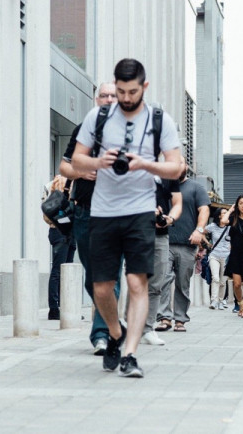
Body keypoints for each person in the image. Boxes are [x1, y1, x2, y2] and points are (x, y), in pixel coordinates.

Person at [71, 58, 183, 377]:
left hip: (140, 211)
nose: (125, 98)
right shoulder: (99, 116)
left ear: (144, 87)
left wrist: (145, 164)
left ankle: (130, 354)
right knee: (102, 287)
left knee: (137, 282)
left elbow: (176, 167)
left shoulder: (160, 119)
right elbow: (76, 159)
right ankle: (116, 334)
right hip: (103, 212)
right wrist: (98, 162)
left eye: (132, 91)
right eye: (120, 91)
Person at [59, 82, 119, 354]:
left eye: (113, 96)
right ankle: (109, 321)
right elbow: (63, 166)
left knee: (110, 275)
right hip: (84, 211)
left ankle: (102, 334)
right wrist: (81, 173)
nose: (108, 99)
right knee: (93, 276)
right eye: (103, 95)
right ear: (97, 100)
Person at [156, 158, 210, 332]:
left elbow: (204, 210)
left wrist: (199, 230)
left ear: (186, 166)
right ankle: (164, 317)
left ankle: (180, 319)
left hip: (187, 244)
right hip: (164, 241)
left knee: (182, 283)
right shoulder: (161, 185)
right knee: (163, 279)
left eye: (180, 164)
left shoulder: (196, 188)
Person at [140, 174, 182, 346]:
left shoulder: (168, 172)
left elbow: (178, 203)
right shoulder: (134, 166)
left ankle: (148, 329)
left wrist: (169, 218)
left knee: (157, 283)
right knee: (137, 281)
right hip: (136, 232)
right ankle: (132, 327)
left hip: (161, 236)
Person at [44, 175, 76, 320]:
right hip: (61, 231)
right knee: (59, 271)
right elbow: (47, 213)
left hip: (63, 231)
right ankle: (54, 309)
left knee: (66, 271)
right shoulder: (57, 185)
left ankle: (64, 308)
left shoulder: (50, 185)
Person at [205, 208, 231, 310]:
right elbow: (201, 231)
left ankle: (221, 301)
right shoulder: (213, 226)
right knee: (215, 278)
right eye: (224, 213)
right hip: (214, 255)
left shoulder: (230, 228)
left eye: (227, 213)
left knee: (223, 281)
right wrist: (207, 243)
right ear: (219, 216)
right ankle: (214, 301)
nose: (226, 215)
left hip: (226, 256)